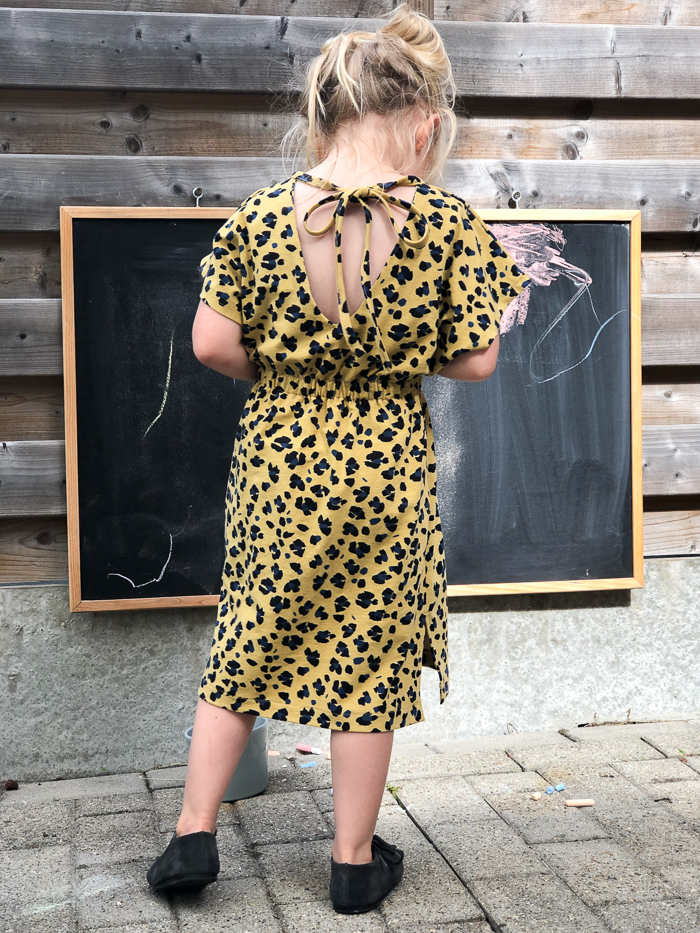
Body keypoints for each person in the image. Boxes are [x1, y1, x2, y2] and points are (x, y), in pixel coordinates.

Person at [146, 2, 530, 915]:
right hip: (387, 462)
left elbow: (210, 343)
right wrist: (387, 360)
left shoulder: (260, 216)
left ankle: (193, 833)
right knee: (372, 652)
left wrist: (293, 370)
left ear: (321, 115)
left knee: (249, 632)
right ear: (421, 122)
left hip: (281, 455)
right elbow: (478, 360)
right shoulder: (444, 222)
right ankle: (353, 861)